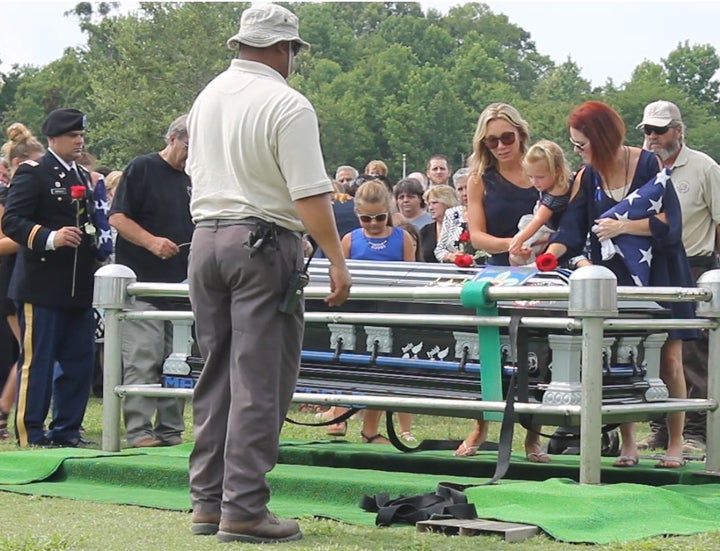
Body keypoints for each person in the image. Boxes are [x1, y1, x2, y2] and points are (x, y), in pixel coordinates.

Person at [184, 4, 351, 544]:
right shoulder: (287, 103)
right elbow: (308, 192)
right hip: (261, 243)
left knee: (216, 376)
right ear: (285, 49)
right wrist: (336, 259)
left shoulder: (208, 96)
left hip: (205, 240)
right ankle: (245, 509)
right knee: (260, 380)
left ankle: (208, 503)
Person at [545, 100, 697, 469]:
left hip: (661, 273)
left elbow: (670, 225)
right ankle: (628, 442)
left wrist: (624, 227)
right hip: (615, 277)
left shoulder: (647, 164)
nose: (577, 151)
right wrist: (550, 252)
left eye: (581, 144)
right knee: (624, 360)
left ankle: (675, 441)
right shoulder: (588, 175)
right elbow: (572, 227)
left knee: (669, 359)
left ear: (600, 138)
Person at [456, 102, 549, 462]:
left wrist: (533, 249)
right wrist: (512, 246)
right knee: (488, 350)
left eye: (506, 137)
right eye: (491, 141)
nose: (500, 146)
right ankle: (481, 425)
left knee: (536, 351)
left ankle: (534, 435)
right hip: (498, 271)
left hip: (541, 269)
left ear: (521, 134)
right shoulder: (480, 178)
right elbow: (476, 236)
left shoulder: (540, 168)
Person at [1, 108, 97, 447]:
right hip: (41, 285)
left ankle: (67, 429)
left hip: (78, 286)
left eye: (81, 134)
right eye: (73, 135)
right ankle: (32, 432)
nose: (79, 140)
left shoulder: (83, 176)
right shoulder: (34, 172)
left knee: (78, 362)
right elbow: (13, 222)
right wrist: (51, 237)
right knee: (37, 362)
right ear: (53, 139)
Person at [636, 100, 720, 455]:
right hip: (652, 267)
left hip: (694, 265)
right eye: (647, 130)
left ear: (678, 130)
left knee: (692, 355)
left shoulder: (704, 167)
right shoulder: (641, 168)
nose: (653, 137)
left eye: (660, 129)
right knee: (656, 351)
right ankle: (661, 426)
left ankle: (696, 432)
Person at [108, 114, 194, 449]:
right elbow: (117, 216)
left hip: (183, 288)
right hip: (142, 283)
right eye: (188, 145)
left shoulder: (196, 177)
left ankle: (171, 431)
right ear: (172, 138)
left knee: (179, 364)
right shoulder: (142, 168)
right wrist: (151, 241)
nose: (192, 154)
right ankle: (139, 431)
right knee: (143, 358)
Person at [340, 180, 415, 443]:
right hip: (359, 314)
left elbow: (411, 277)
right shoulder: (350, 239)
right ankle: (348, 420)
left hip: (391, 313)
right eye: (366, 218)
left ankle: (380, 430)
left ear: (389, 212)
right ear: (358, 216)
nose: (373, 224)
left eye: (380, 217)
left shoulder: (402, 237)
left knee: (387, 372)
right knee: (356, 369)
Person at [0, 123, 46, 439]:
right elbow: (10, 237)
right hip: (11, 277)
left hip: (20, 274)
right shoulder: (11, 196)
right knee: (27, 352)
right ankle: (4, 411)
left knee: (28, 350)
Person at [508, 140, 571, 263]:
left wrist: (520, 238)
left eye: (540, 177)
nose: (534, 182)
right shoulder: (547, 183)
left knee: (523, 245)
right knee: (516, 252)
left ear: (557, 171)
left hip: (549, 227)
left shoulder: (560, 186)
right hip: (540, 222)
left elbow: (540, 218)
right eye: (530, 176)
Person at [435, 168, 482, 264]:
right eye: (460, 189)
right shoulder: (451, 214)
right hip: (456, 270)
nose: (464, 193)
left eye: (468, 187)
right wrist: (450, 256)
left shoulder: (489, 212)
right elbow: (439, 250)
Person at [419, 184, 459, 263]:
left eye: (434, 203)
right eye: (429, 204)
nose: (430, 208)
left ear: (447, 202)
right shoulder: (425, 231)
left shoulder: (462, 227)